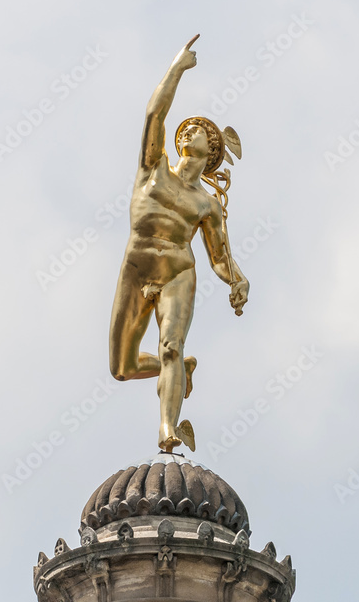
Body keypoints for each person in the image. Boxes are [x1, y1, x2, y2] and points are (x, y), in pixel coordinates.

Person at [108, 35, 247, 453]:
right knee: (122, 367)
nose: (188, 131)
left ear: (212, 150)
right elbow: (155, 112)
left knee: (169, 345)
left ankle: (167, 428)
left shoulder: (206, 204)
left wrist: (237, 281)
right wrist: (177, 68)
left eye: (200, 131)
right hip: (137, 267)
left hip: (177, 273)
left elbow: (219, 257)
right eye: (186, 128)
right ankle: (182, 370)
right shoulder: (153, 167)